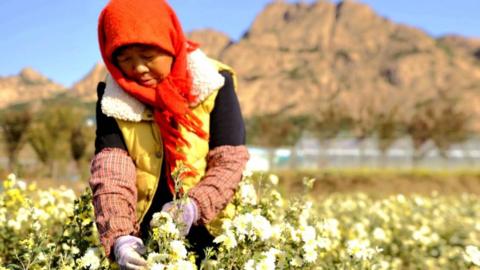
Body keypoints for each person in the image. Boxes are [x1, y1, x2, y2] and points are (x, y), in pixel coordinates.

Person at [89, 0, 250, 268]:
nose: (138, 68)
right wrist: (121, 238)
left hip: (214, 232)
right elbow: (111, 171)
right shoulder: (112, 99)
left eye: (148, 56)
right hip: (146, 237)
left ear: (170, 44)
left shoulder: (213, 81)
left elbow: (229, 161)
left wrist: (194, 207)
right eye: (125, 59)